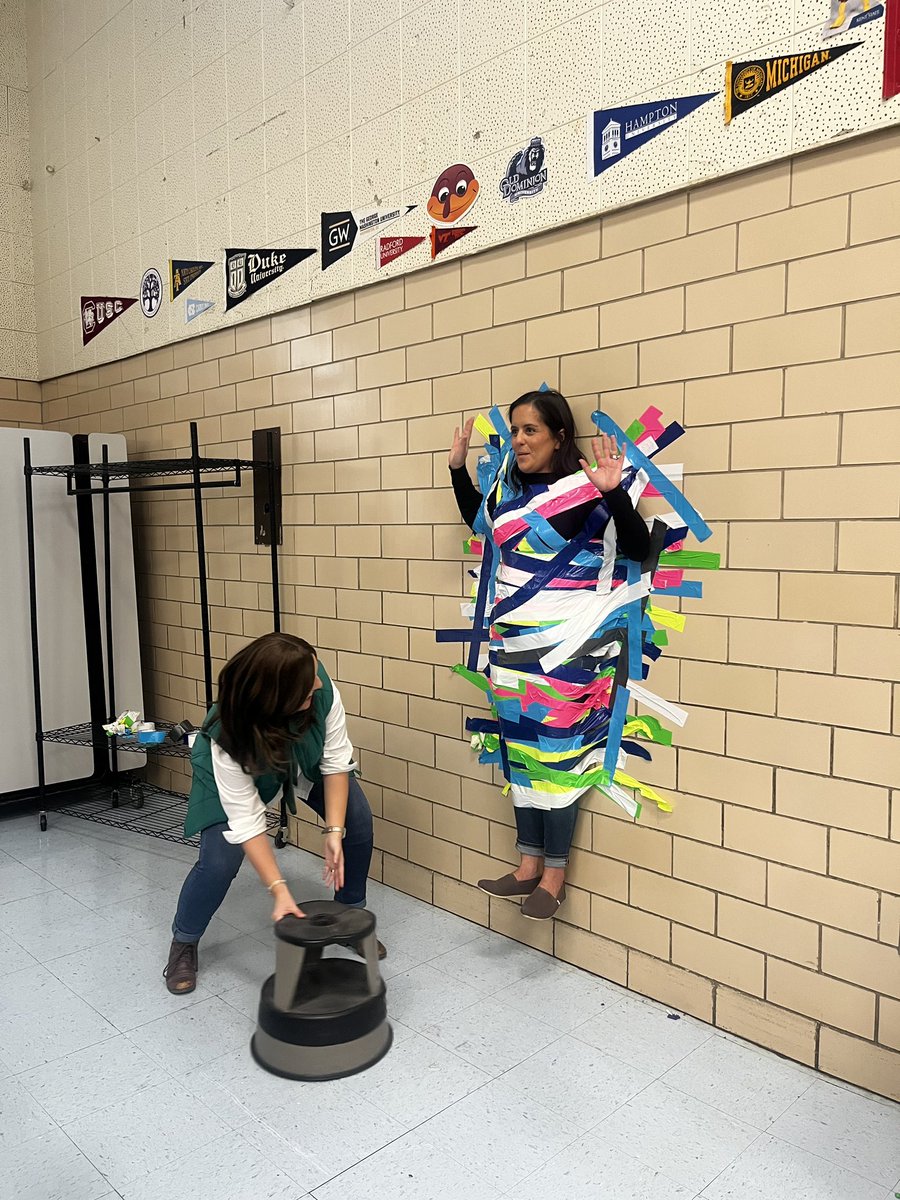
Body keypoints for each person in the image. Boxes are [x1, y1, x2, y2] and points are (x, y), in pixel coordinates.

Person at [449, 389, 650, 920]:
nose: (518, 440)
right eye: (514, 430)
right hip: (509, 652)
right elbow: (481, 525)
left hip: (565, 654)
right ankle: (527, 864)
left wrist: (613, 495)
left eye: (530, 430)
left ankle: (554, 876)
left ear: (559, 436)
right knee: (521, 757)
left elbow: (639, 549)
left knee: (557, 760)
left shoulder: (587, 489)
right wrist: (456, 470)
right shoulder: (506, 493)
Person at [164, 632, 383, 995]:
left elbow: (335, 762)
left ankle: (349, 919)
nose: (318, 683)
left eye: (315, 673)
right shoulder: (226, 735)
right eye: (307, 687)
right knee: (219, 860)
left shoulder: (319, 687)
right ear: (276, 696)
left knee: (356, 821)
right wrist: (279, 890)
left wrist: (334, 830)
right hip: (245, 766)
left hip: (299, 760)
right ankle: (184, 941)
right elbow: (249, 823)